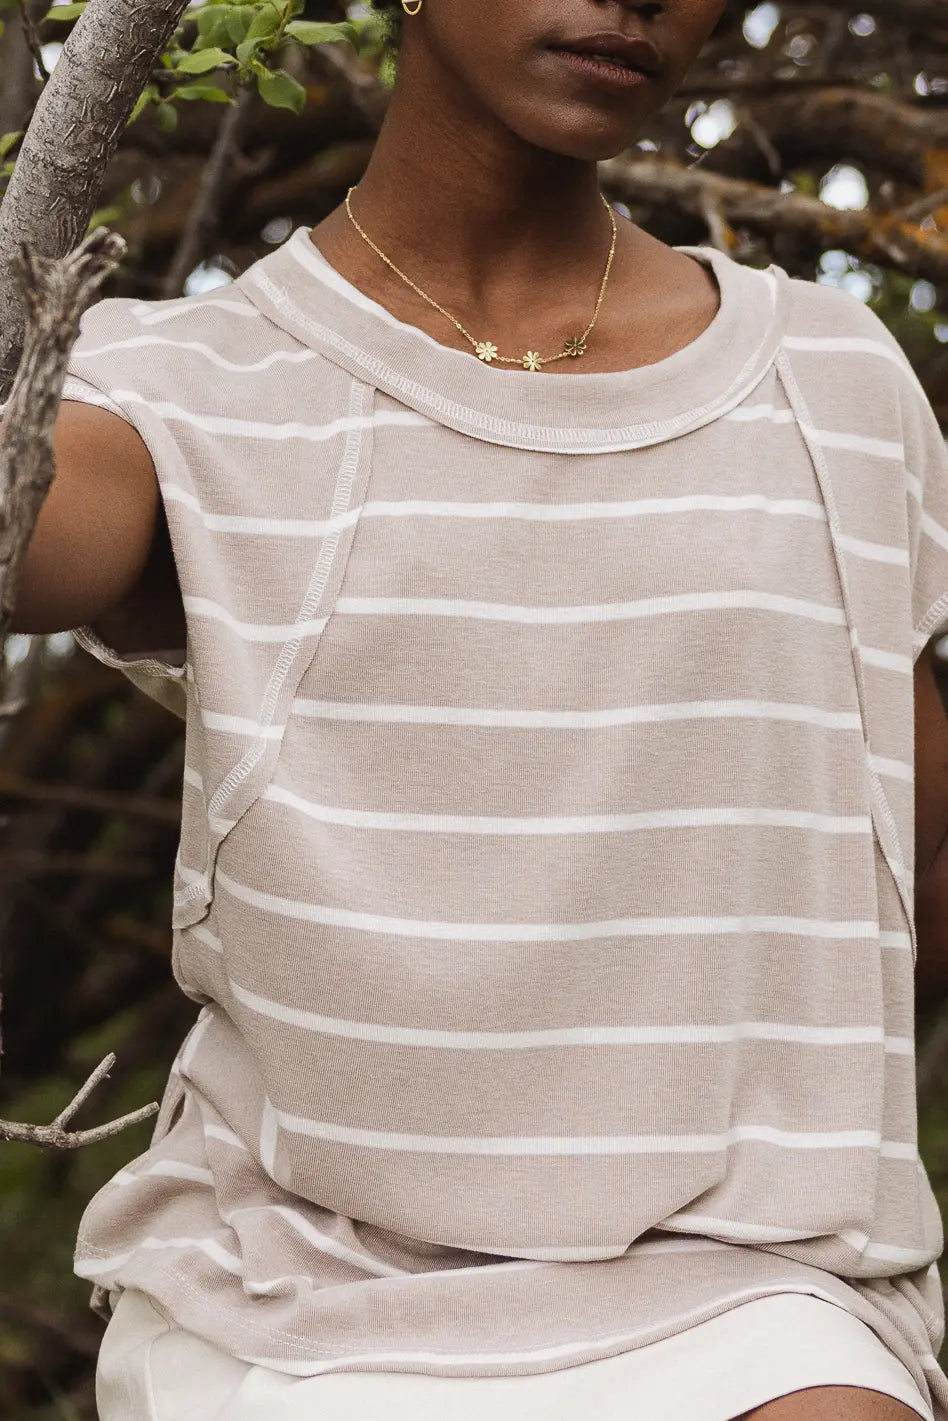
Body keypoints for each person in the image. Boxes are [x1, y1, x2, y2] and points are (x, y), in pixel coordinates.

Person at [3, 0, 948, 1416]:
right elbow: (28, 534)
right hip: (298, 1298)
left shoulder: (837, 384)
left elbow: (909, 849)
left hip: (757, 1288)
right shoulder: (187, 387)